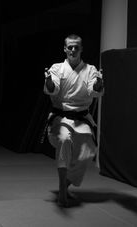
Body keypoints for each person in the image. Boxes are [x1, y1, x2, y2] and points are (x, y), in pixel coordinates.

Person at [43, 34, 104, 207]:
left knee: (88, 152)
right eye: (70, 47)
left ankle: (65, 184)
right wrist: (48, 82)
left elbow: (94, 90)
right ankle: (62, 192)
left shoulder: (91, 70)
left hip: (81, 118)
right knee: (64, 140)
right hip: (61, 117)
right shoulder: (57, 68)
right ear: (64, 49)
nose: (73, 50)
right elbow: (52, 89)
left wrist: (98, 84)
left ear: (81, 49)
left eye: (76, 47)